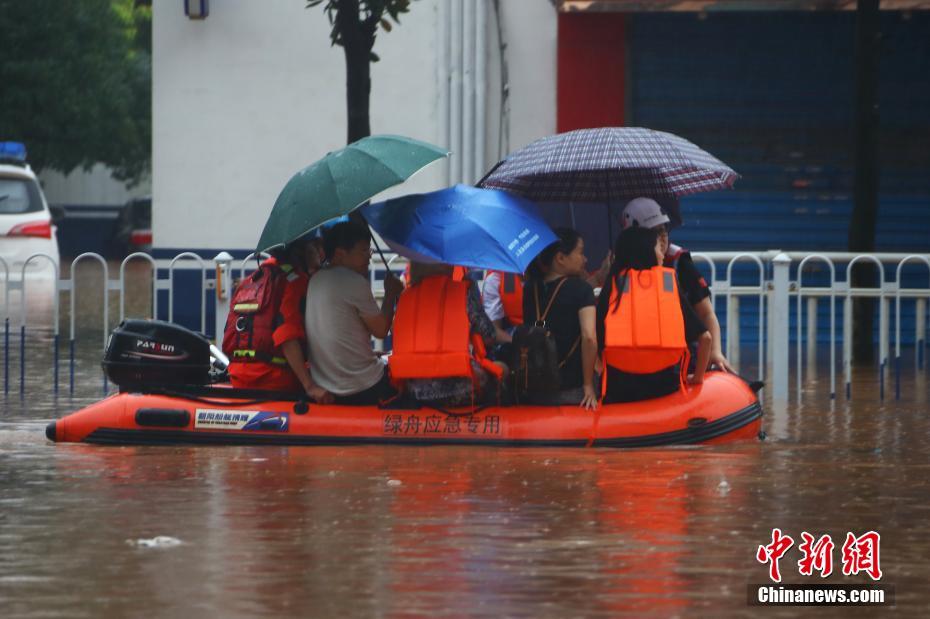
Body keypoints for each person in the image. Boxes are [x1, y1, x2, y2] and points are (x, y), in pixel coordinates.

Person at [597, 226, 711, 403]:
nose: (663, 254)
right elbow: (706, 338)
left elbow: (593, 339)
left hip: (619, 390)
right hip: (665, 388)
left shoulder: (614, 286)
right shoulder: (668, 285)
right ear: (647, 251)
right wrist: (697, 378)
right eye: (659, 248)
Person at [620, 197, 734, 372]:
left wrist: (716, 352)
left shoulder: (680, 263)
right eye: (654, 232)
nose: (662, 238)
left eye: (664, 230)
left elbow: (706, 314)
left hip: (678, 360)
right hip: (633, 363)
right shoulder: (618, 274)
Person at [304, 221, 405, 405]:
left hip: (325, 383)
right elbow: (381, 330)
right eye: (363, 251)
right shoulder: (353, 281)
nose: (368, 257)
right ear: (340, 254)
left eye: (370, 251)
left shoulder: (315, 280)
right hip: (363, 385)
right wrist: (391, 293)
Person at [224, 237, 332, 402]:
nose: (320, 252)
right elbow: (286, 336)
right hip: (275, 379)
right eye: (315, 245)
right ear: (301, 251)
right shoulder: (296, 281)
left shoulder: (251, 280)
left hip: (238, 376)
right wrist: (309, 385)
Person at [391, 262, 507, 406]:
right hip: (460, 390)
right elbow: (489, 336)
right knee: (502, 368)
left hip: (414, 392)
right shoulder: (462, 294)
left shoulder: (404, 297)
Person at [522, 228, 599, 410]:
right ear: (560, 258)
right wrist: (587, 385)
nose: (585, 259)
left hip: (534, 390)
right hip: (571, 390)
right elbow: (589, 337)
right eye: (580, 252)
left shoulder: (529, 289)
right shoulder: (582, 290)